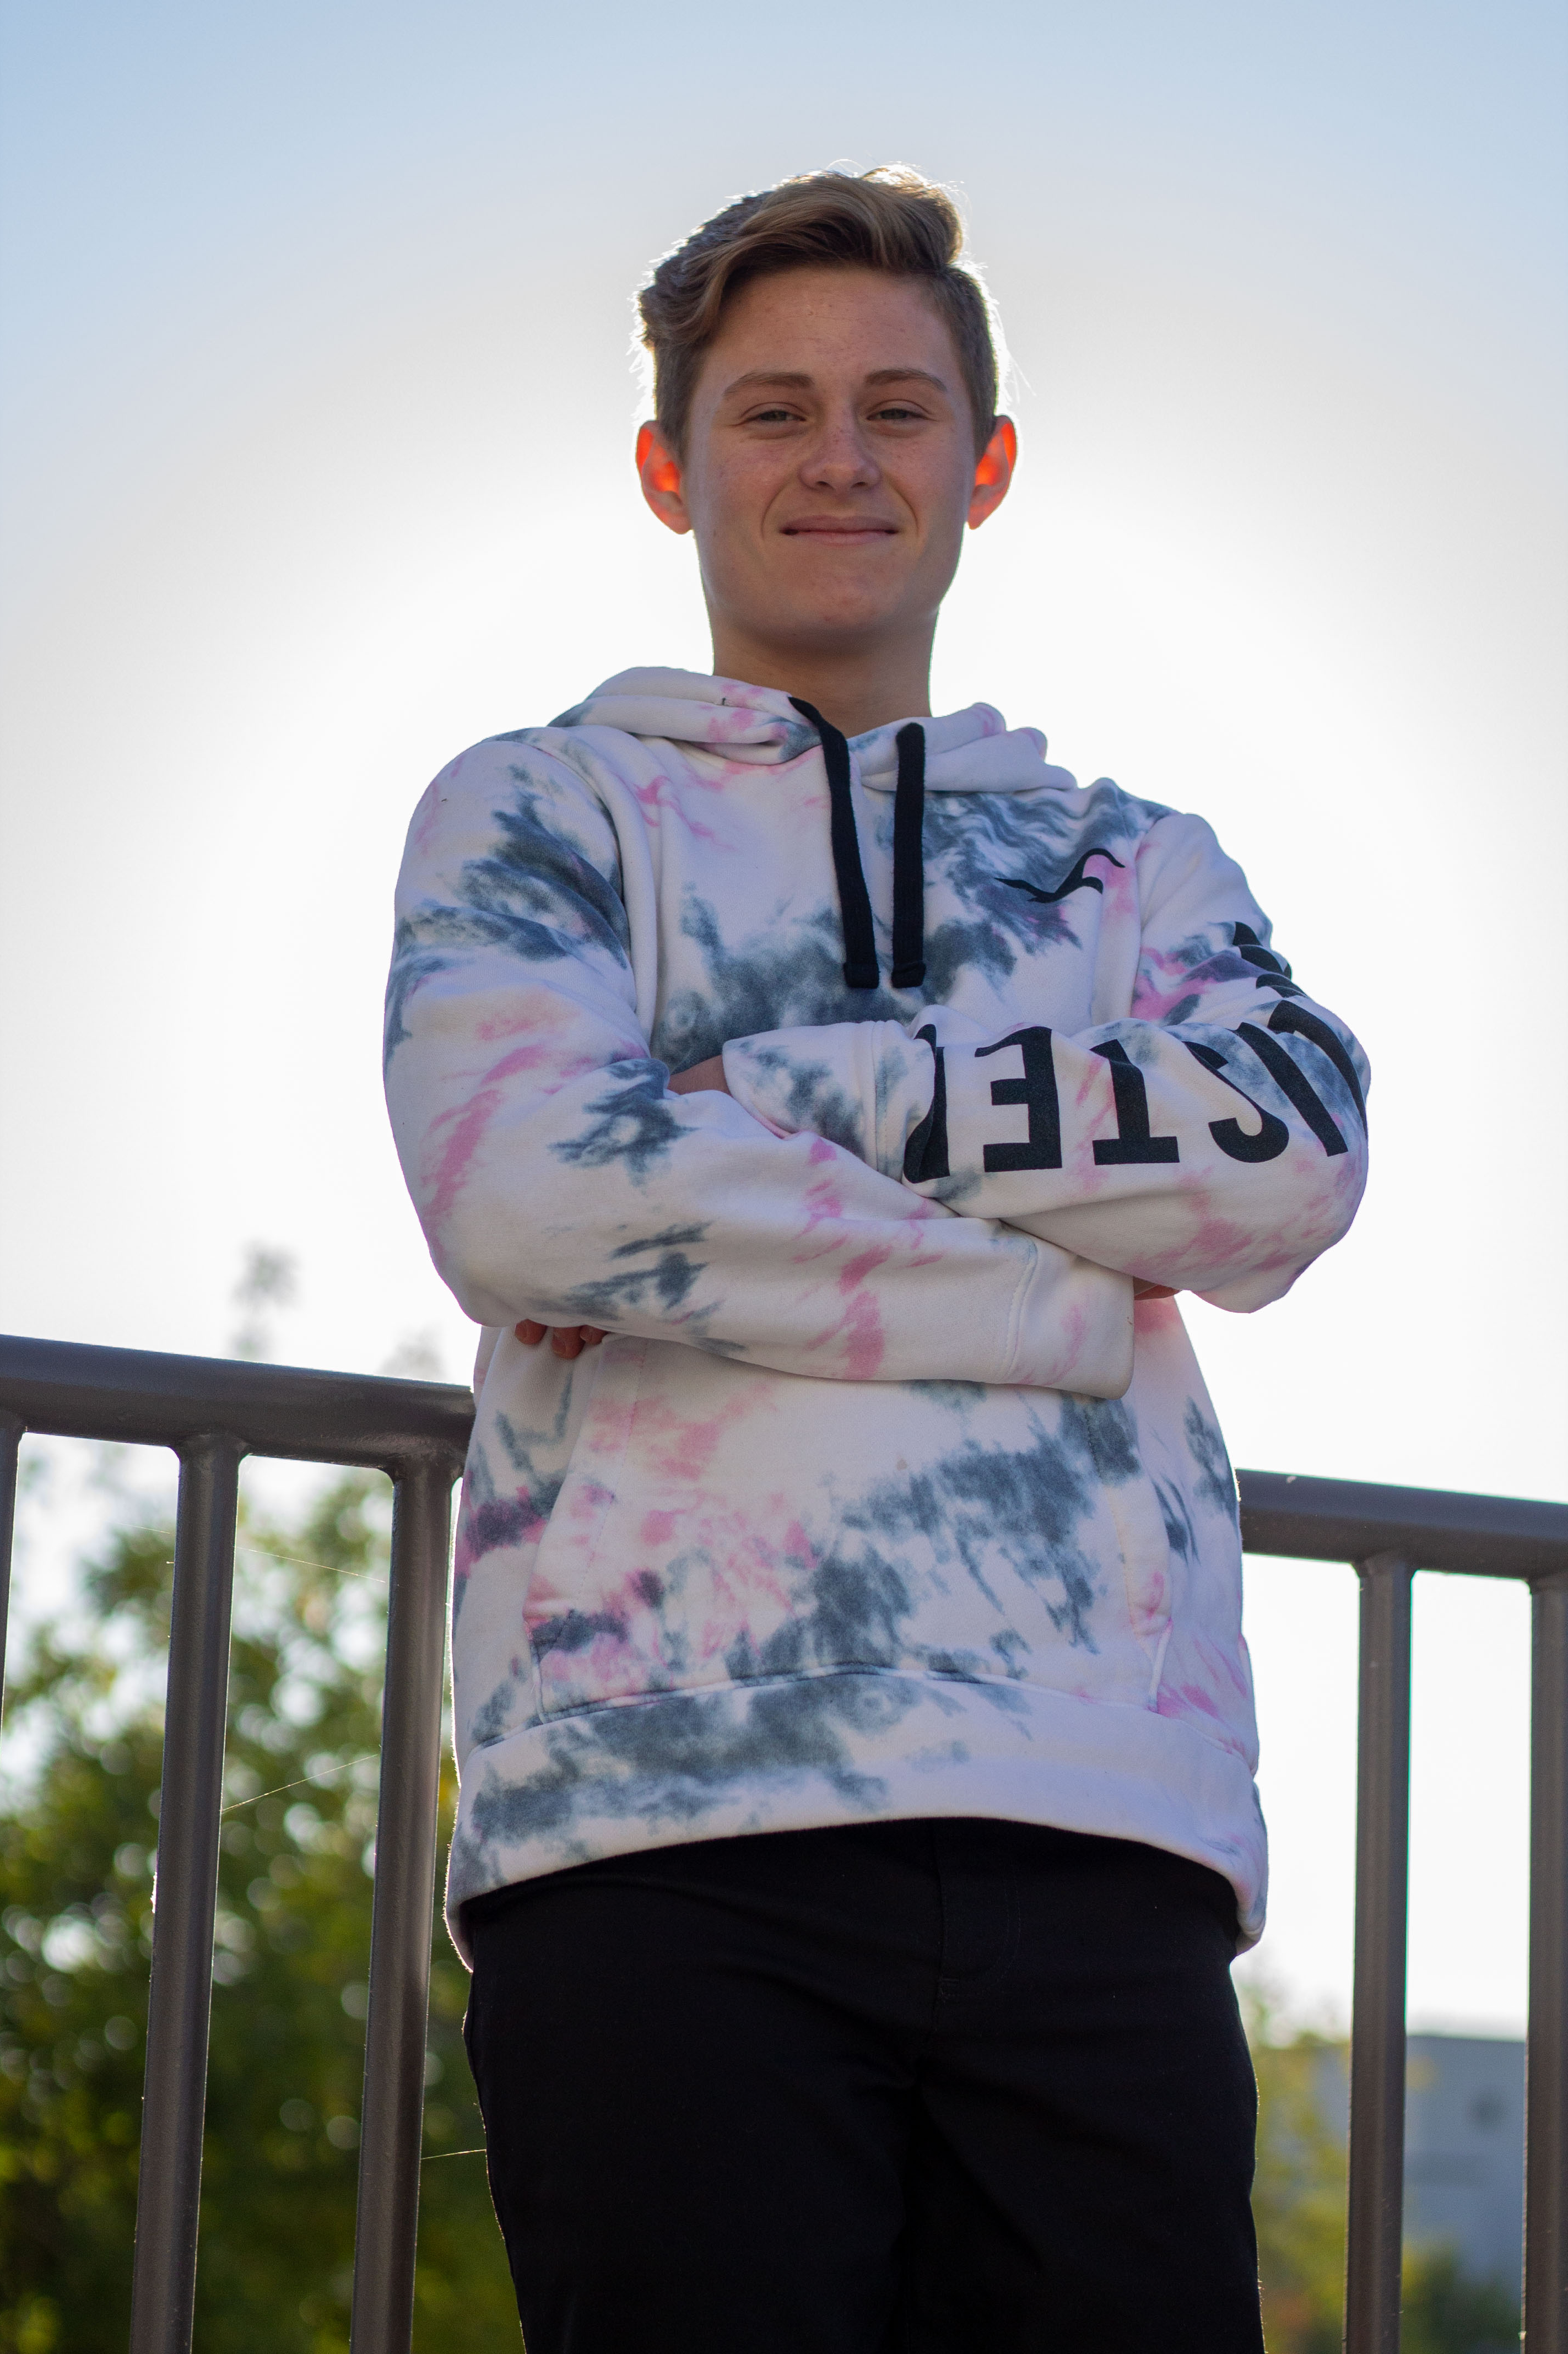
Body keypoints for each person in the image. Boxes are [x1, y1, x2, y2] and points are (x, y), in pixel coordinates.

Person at [385, 165, 1369, 2353]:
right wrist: (1046, 1292)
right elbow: (528, 1190)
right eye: (773, 410)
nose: (841, 457)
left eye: (899, 408)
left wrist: (790, 1101)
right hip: (658, 1825)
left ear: (984, 462)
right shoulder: (539, 813)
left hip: (1103, 1818)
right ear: (670, 465)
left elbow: (1288, 1161)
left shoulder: (1132, 859)